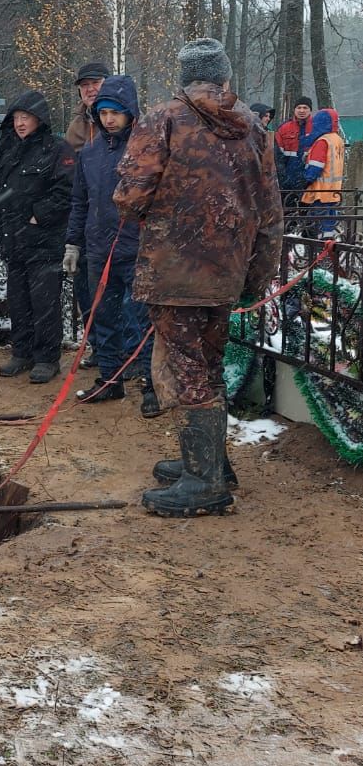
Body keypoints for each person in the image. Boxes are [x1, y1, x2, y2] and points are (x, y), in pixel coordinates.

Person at [113, 38, 283, 518]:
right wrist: (257, 276)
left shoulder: (164, 118)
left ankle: (204, 482)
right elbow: (271, 212)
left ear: (185, 77)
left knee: (188, 368)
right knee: (208, 362)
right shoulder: (254, 127)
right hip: (228, 272)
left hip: (175, 271)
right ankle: (212, 462)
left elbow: (130, 196)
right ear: (224, 77)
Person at [64, 74, 158, 415]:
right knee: (102, 316)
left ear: (130, 112)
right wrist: (73, 244)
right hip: (97, 249)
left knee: (141, 319)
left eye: (115, 112)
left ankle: (152, 386)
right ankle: (109, 380)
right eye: (103, 112)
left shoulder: (145, 152)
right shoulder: (88, 155)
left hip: (136, 250)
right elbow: (80, 202)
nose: (109, 119)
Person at [0, 91, 75, 384]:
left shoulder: (57, 150)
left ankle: (47, 358)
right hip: (14, 240)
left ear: (39, 119)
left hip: (43, 240)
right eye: (16, 118)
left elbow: (66, 191)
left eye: (25, 117)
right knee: (19, 301)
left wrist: (38, 215)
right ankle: (22, 352)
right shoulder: (8, 149)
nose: (20, 123)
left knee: (45, 303)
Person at [65, 60, 111, 369]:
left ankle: (123, 351)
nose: (90, 89)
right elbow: (69, 172)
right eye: (85, 86)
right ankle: (97, 344)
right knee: (85, 286)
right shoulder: (76, 126)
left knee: (118, 287)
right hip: (84, 215)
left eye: (96, 83)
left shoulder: (124, 119)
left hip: (116, 218)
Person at [300, 107, 344, 239]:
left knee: (317, 222)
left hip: (320, 190)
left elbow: (315, 166)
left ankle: (319, 249)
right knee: (329, 221)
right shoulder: (337, 139)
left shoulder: (322, 141)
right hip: (334, 189)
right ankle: (329, 247)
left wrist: (306, 179)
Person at [274, 97, 313, 207]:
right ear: (294, 110)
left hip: (309, 180)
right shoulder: (284, 128)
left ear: (310, 110)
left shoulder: (316, 128)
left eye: (305, 108)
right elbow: (277, 156)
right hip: (288, 180)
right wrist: (283, 177)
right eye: (299, 107)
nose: (301, 110)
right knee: (289, 213)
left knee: (308, 214)